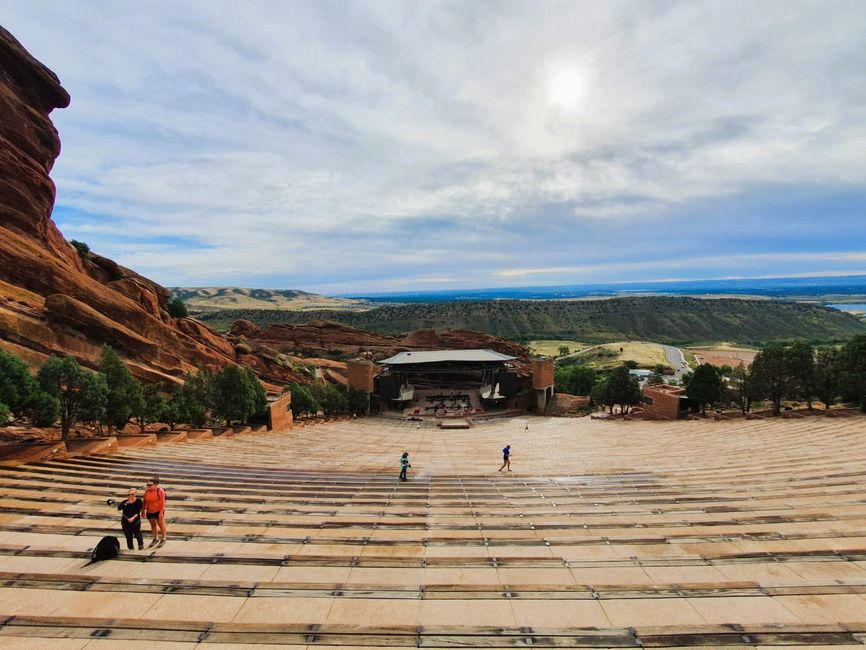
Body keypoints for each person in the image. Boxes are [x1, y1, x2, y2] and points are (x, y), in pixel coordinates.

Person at [142, 476, 167, 547]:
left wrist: (161, 513)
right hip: (149, 511)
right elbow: (144, 502)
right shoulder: (147, 491)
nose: (148, 486)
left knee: (161, 524)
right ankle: (155, 538)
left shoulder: (160, 491)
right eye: (147, 485)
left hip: (158, 510)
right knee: (153, 525)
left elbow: (162, 502)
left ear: (155, 484)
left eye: (150, 485)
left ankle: (163, 538)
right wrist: (143, 511)